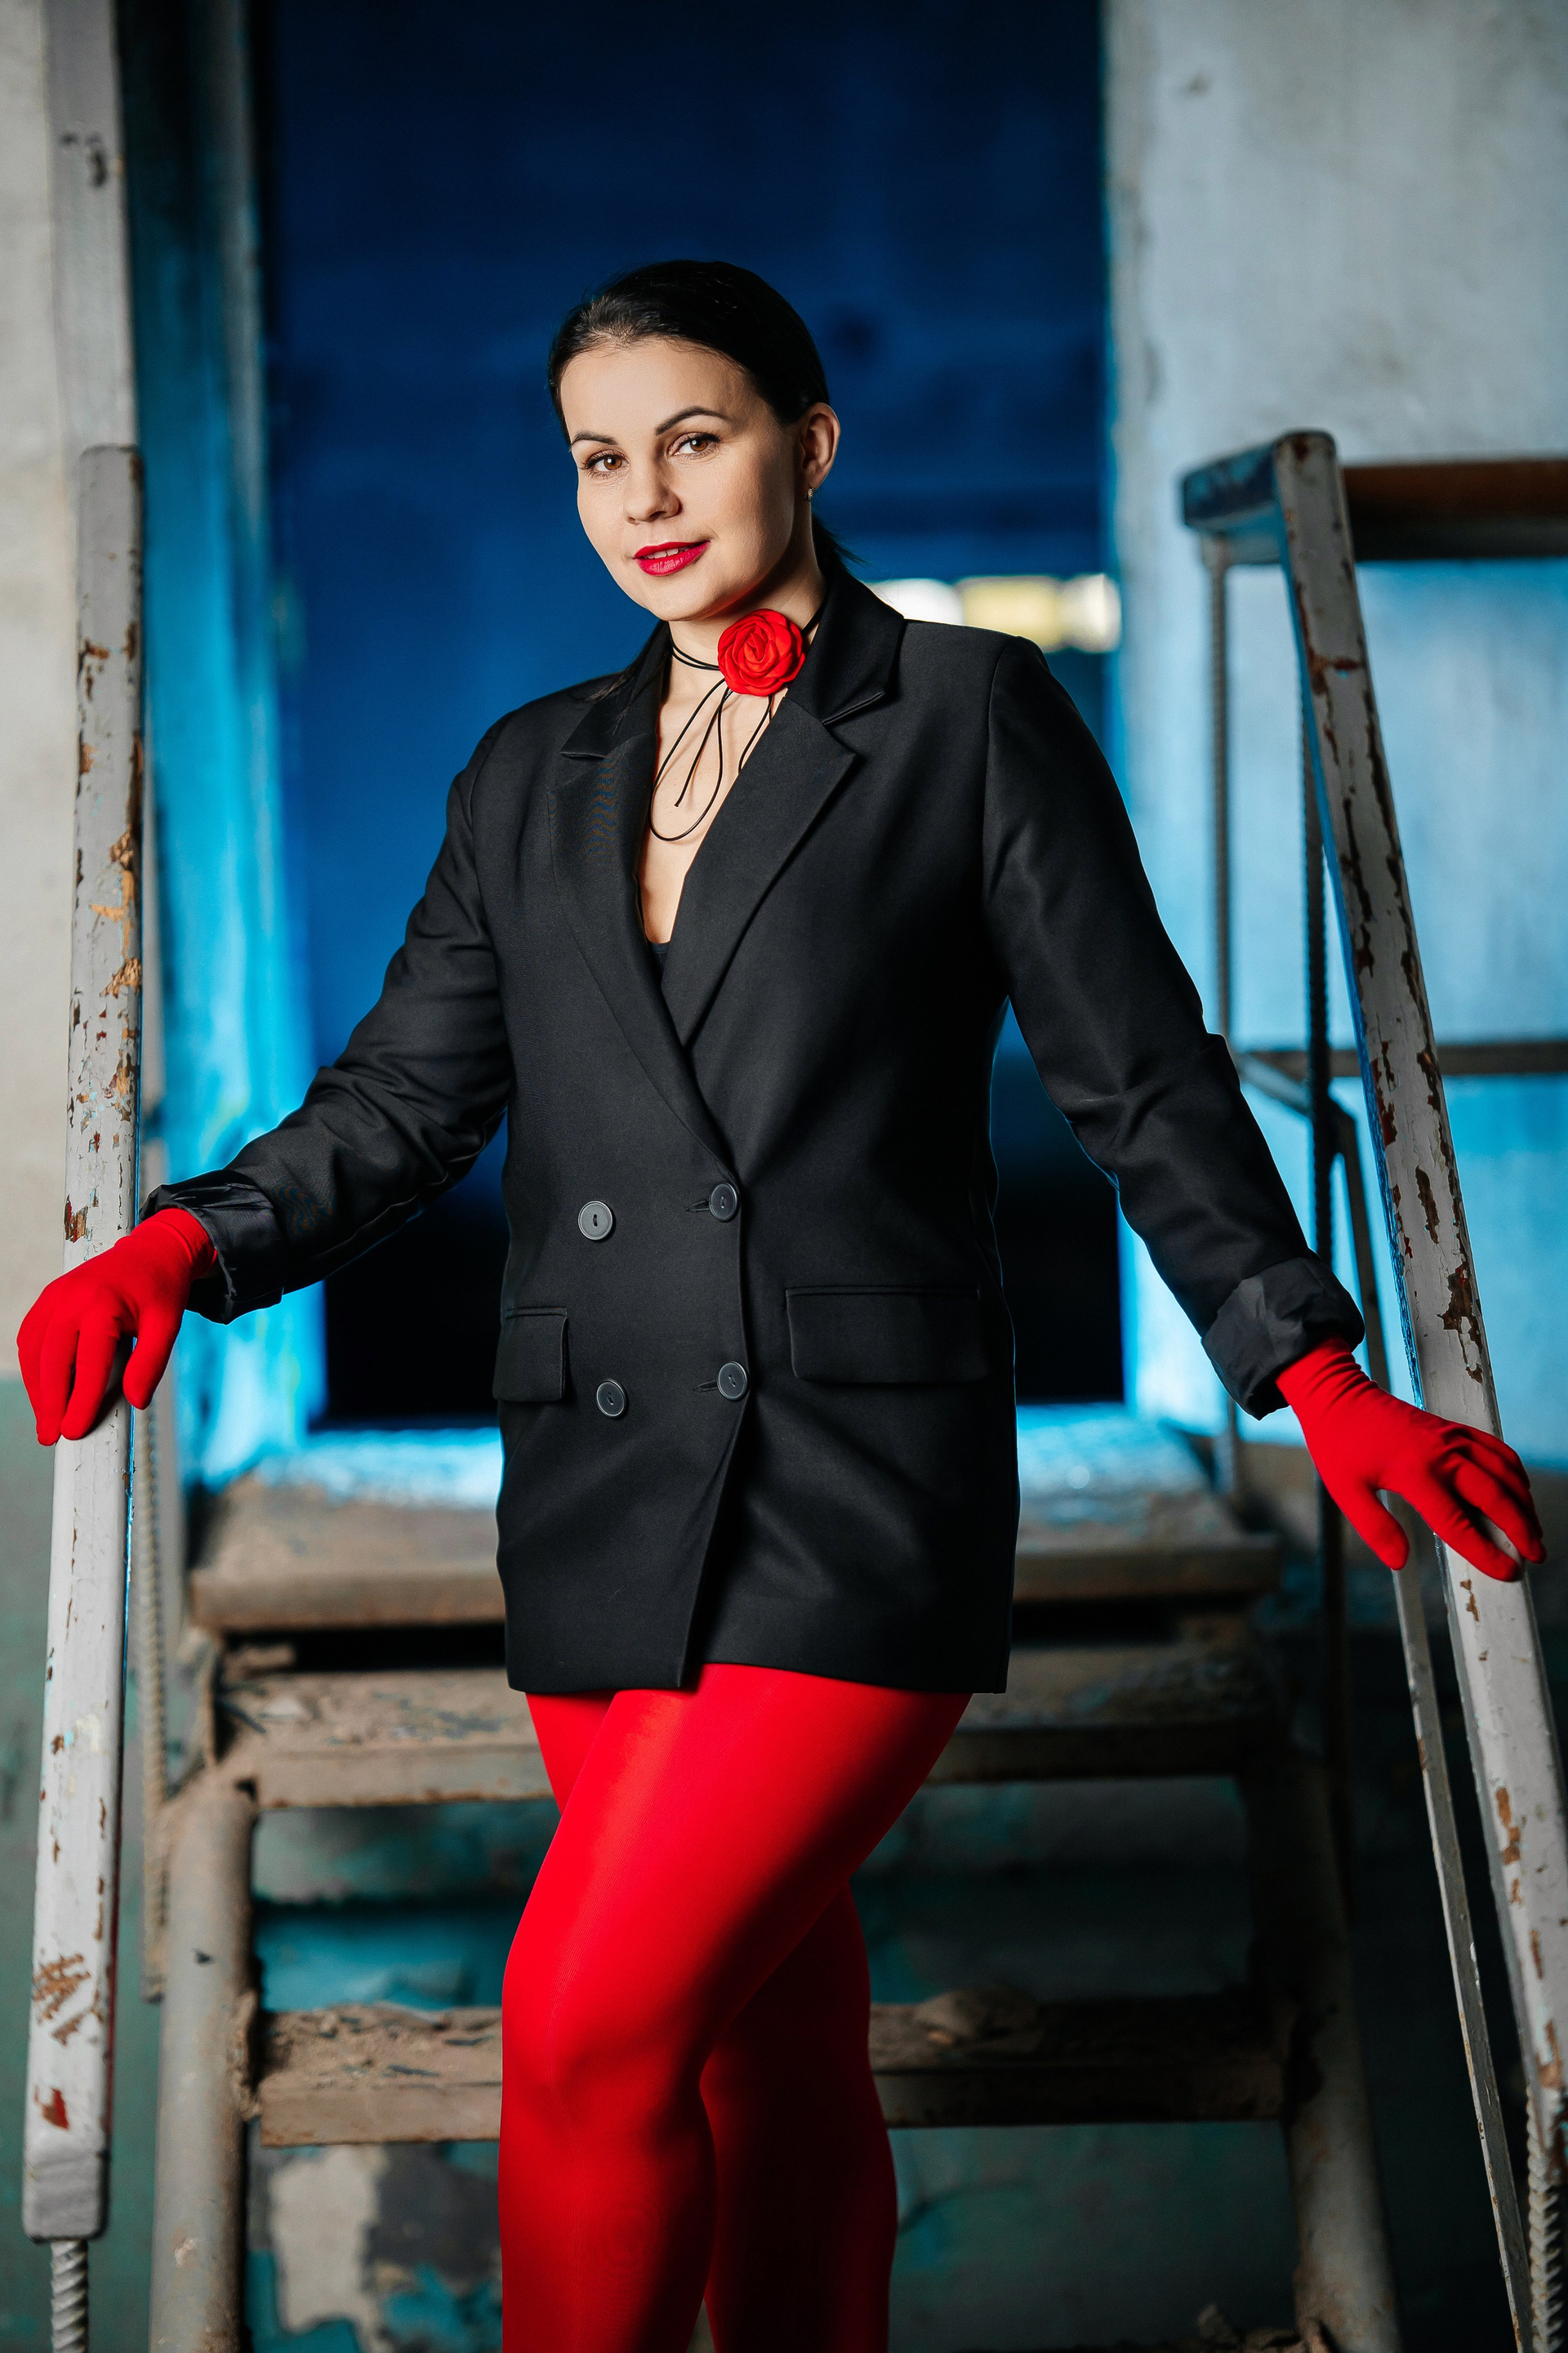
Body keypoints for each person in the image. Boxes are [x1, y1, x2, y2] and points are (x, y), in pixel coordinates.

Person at [17, 260, 1543, 2353]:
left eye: (694, 438)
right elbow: (404, 1100)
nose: (644, 497)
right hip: (603, 1480)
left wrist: (1319, 1367)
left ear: (809, 445)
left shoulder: (969, 714)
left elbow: (1141, 1078)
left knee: (579, 2032)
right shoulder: (524, 771)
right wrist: (186, 1243)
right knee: (767, 2054)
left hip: (854, 1482)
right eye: (597, 459)